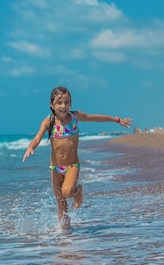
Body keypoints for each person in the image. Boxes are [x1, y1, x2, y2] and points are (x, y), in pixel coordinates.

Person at [22, 86, 132, 230]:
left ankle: (78, 190)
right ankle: (65, 235)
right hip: (54, 167)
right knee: (61, 203)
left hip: (72, 165)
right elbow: (37, 138)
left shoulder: (75, 117)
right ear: (52, 105)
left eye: (67, 103)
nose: (63, 106)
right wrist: (31, 147)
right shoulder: (48, 121)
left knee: (67, 192)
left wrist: (117, 120)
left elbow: (95, 117)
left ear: (70, 104)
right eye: (59, 103)